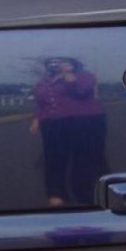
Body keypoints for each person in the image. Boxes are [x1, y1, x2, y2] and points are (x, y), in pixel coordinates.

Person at [30, 57, 107, 207]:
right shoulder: (44, 81)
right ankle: (56, 193)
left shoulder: (85, 76)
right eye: (53, 62)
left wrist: (67, 75)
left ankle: (84, 194)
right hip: (52, 124)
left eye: (62, 62)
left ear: (73, 64)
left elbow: (81, 92)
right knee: (53, 159)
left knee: (83, 159)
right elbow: (40, 103)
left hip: (84, 122)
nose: (56, 64)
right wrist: (36, 119)